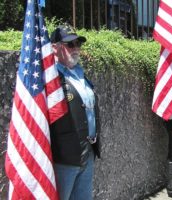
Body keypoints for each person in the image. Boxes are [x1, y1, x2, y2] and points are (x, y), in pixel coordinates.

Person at [49, 24, 100, 200]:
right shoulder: (50, 76)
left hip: (87, 151)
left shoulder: (78, 72)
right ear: (54, 48)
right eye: (70, 44)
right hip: (64, 157)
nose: (76, 48)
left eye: (78, 43)